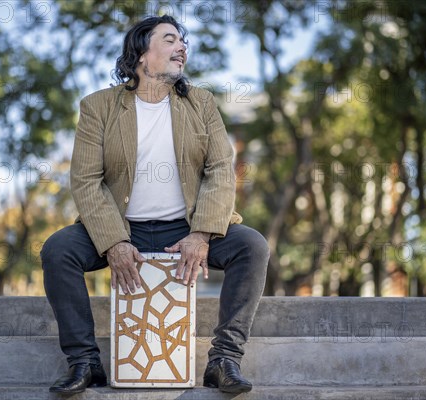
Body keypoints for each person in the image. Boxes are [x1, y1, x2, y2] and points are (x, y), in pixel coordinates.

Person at [41, 14, 269, 395]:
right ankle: (84, 361)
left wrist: (201, 234)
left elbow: (220, 170)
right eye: (170, 40)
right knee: (58, 250)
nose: (182, 47)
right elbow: (85, 180)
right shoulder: (98, 106)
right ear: (142, 55)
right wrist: (114, 242)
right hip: (121, 226)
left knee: (252, 246)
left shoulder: (202, 103)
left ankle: (224, 359)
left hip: (184, 228)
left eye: (183, 42)